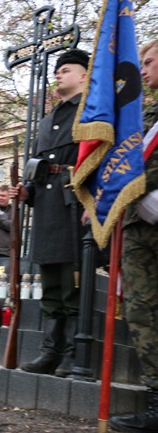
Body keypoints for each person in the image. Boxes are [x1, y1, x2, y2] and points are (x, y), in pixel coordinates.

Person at [9, 49, 90, 378]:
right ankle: (50, 351)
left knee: (73, 284)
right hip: (47, 208)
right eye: (56, 70)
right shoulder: (47, 119)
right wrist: (25, 192)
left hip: (75, 203)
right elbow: (40, 168)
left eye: (66, 70)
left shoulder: (91, 112)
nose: (58, 74)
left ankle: (74, 353)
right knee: (51, 285)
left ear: (84, 75)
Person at [110, 40, 158, 433]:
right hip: (138, 227)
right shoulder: (143, 115)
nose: (142, 69)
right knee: (142, 315)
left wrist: (135, 182)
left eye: (149, 61)